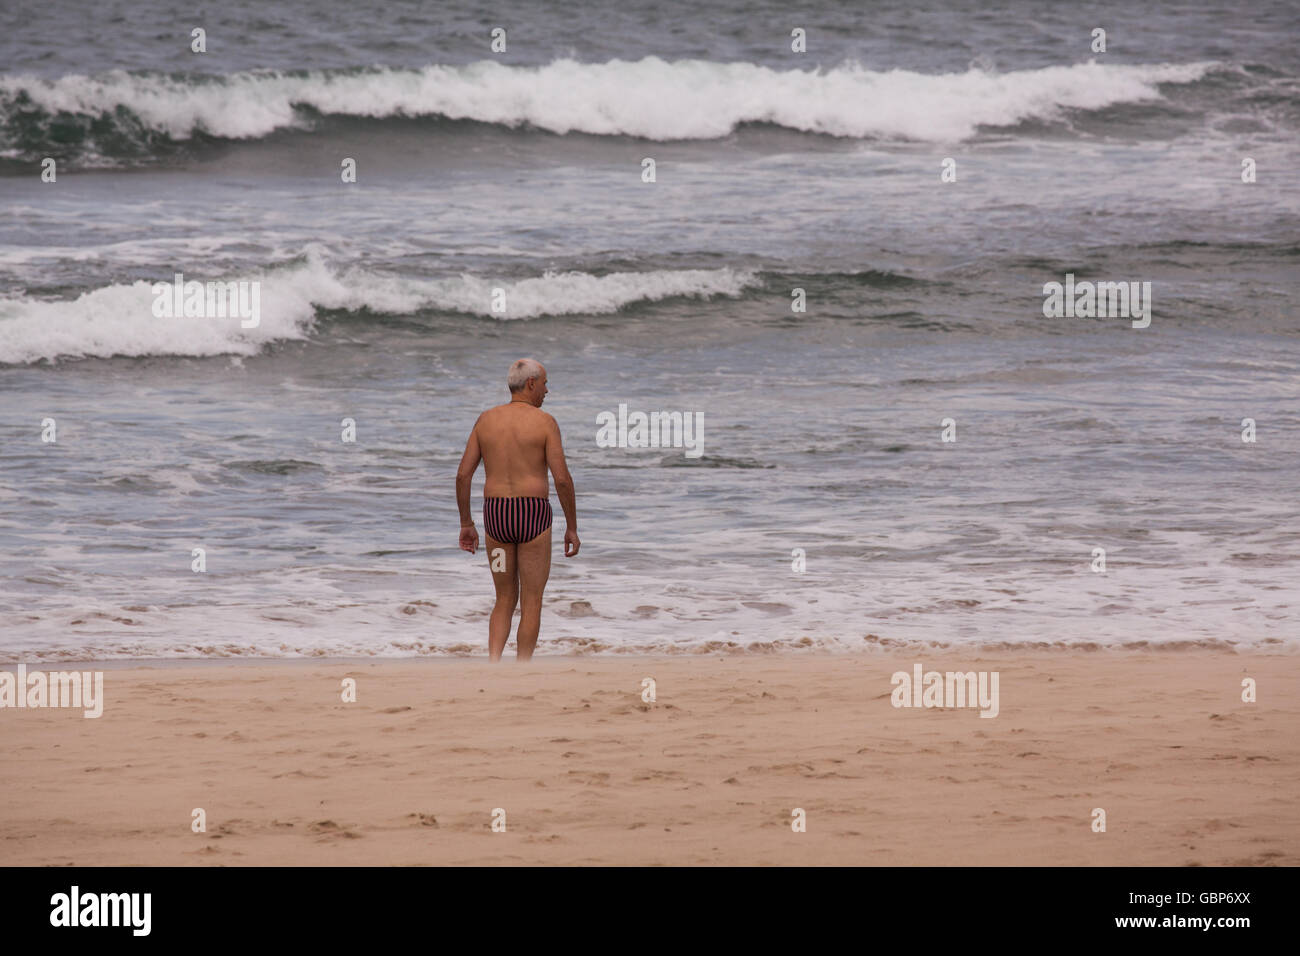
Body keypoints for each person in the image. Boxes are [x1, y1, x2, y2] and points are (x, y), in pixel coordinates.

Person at [456, 358, 580, 660]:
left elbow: (462, 475)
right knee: (532, 600)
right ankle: (523, 668)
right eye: (545, 384)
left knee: (503, 598)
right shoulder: (545, 422)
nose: (547, 391)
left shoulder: (485, 420)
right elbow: (561, 479)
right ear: (531, 383)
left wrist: (466, 523)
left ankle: (494, 664)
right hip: (532, 516)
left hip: (497, 517)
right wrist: (572, 527)